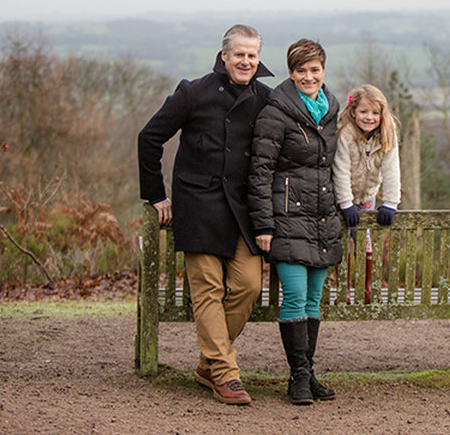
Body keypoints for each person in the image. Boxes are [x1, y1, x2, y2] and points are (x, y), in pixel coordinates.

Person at [137, 24, 272, 405]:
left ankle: (207, 365)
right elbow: (149, 138)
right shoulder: (192, 93)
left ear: (258, 58)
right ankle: (226, 375)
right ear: (224, 55)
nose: (246, 61)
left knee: (248, 286)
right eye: (239, 54)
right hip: (198, 206)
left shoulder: (265, 97)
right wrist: (156, 195)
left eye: (252, 55)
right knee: (208, 290)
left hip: (243, 212)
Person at [248, 38, 341, 405]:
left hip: (321, 219)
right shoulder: (276, 111)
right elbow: (259, 171)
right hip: (286, 219)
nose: (308, 76)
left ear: (323, 71)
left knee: (314, 299)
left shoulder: (331, 110)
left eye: (314, 70)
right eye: (301, 70)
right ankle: (298, 377)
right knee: (296, 297)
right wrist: (263, 225)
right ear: (290, 72)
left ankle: (308, 371)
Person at [332, 84, 401, 302]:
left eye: (375, 113)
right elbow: (340, 170)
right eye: (363, 112)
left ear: (382, 113)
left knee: (364, 241)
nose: (369, 117)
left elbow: (392, 170)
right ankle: (344, 288)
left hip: (367, 197)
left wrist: (390, 202)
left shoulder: (387, 135)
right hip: (342, 198)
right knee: (341, 241)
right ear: (353, 112)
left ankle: (365, 287)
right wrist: (345, 203)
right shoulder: (345, 134)